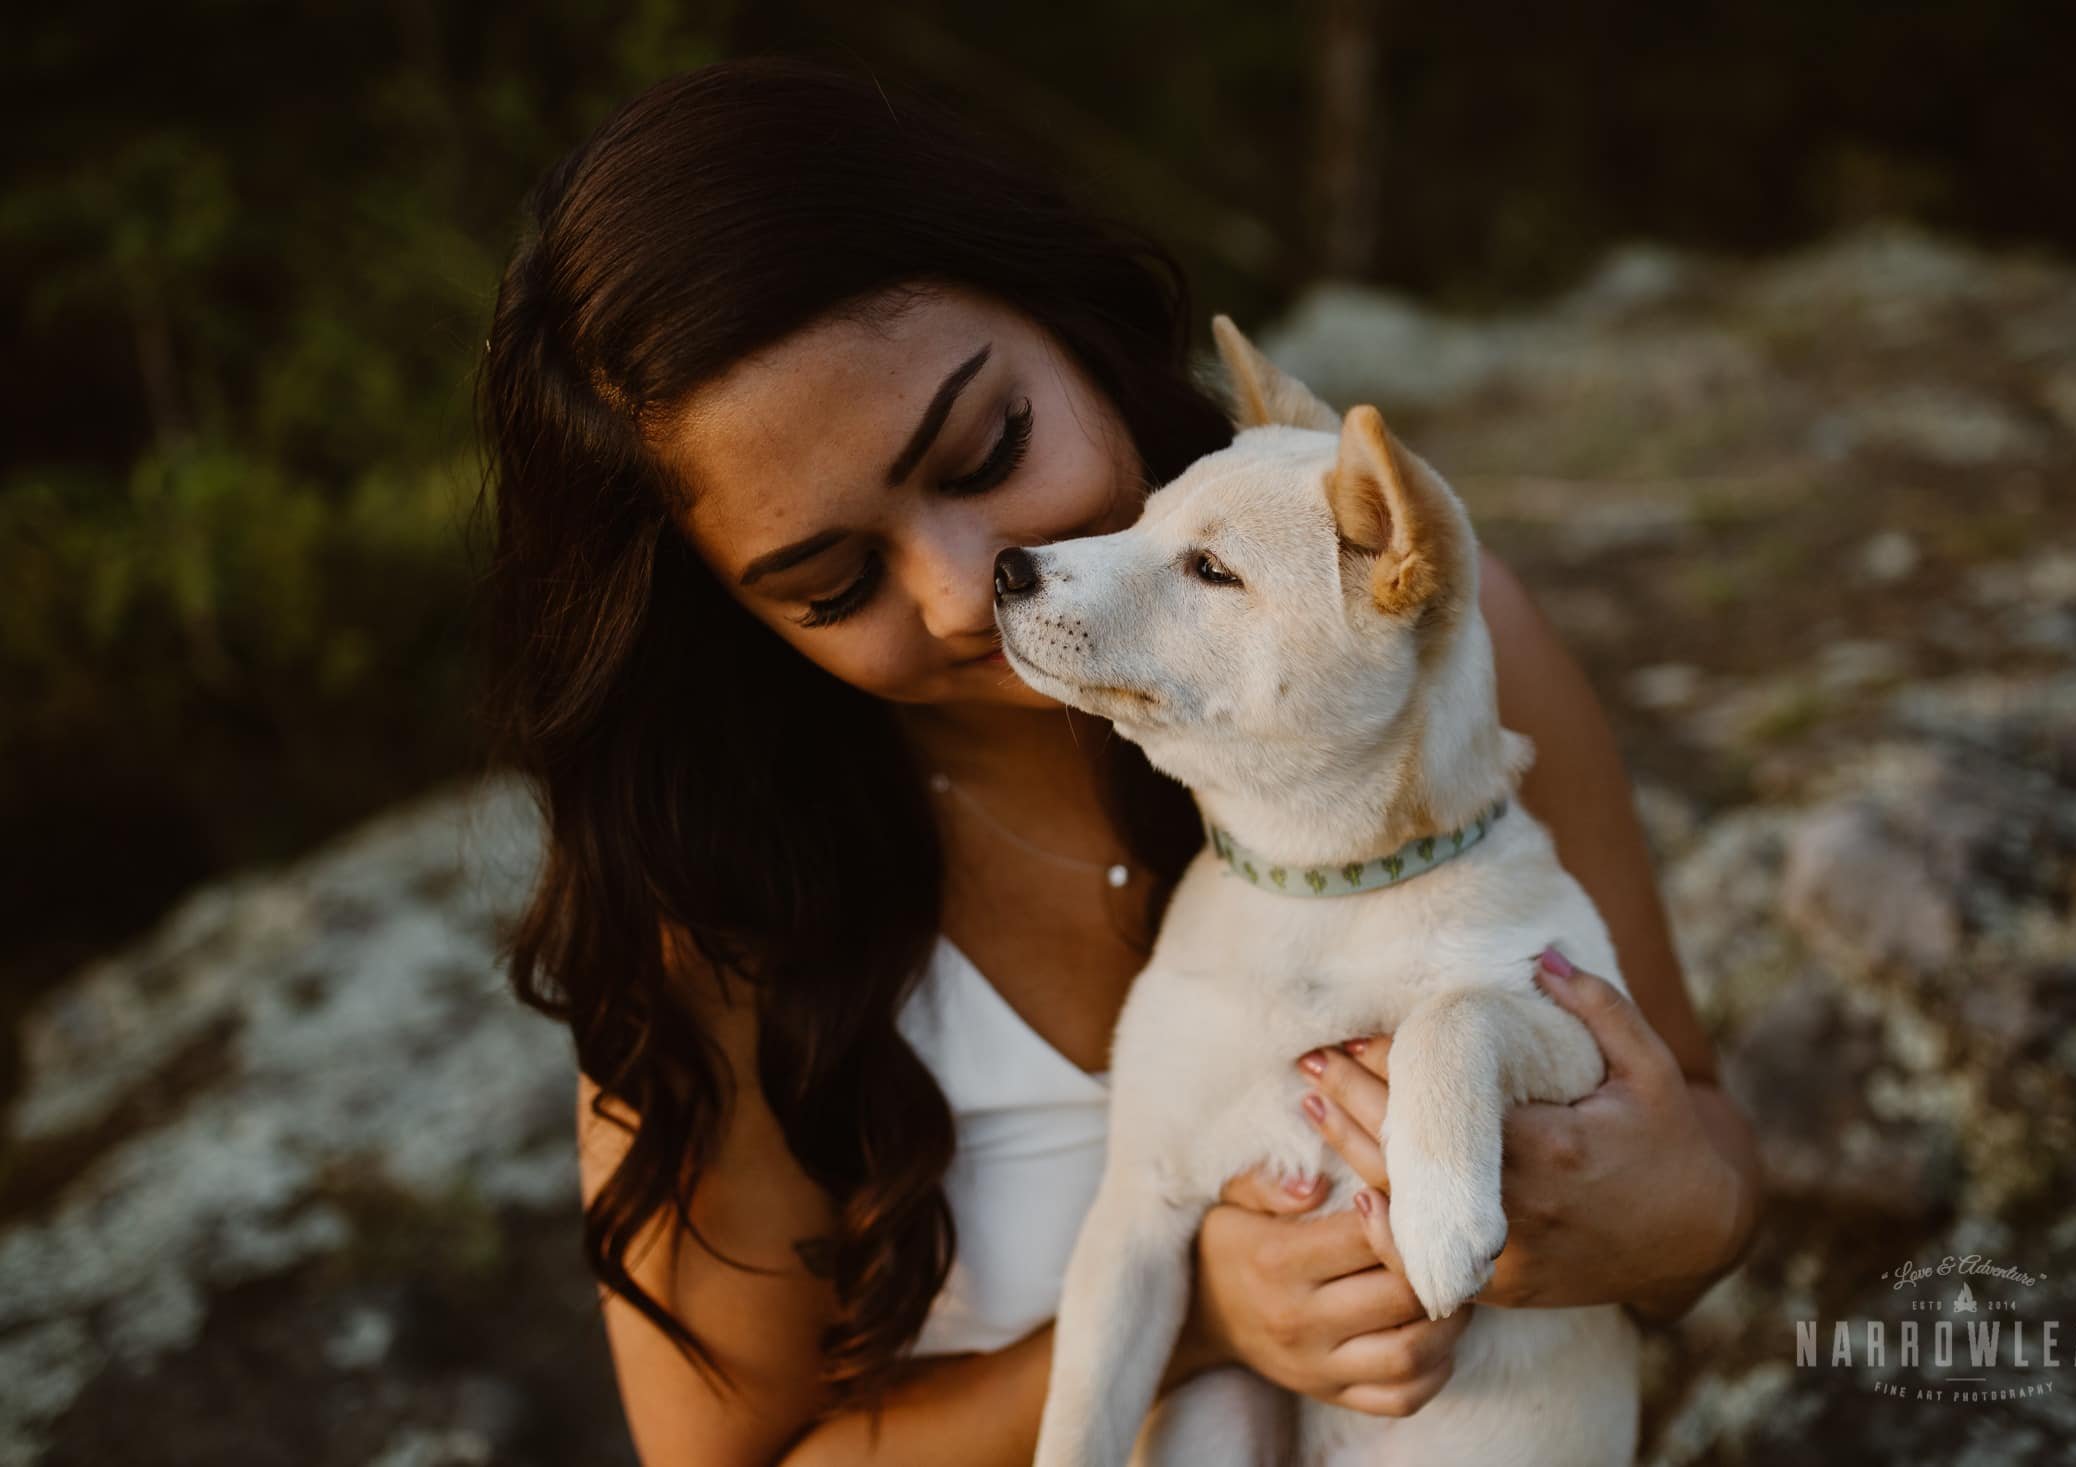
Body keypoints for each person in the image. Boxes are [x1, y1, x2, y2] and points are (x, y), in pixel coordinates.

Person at [477, 56, 1764, 1467]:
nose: (972, 592)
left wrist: (1678, 1216)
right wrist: (1200, 1314)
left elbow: (1695, 1165)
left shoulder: (1412, 657)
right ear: (727, 615)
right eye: (834, 583)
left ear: (1059, 309)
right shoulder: (715, 907)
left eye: (989, 447)